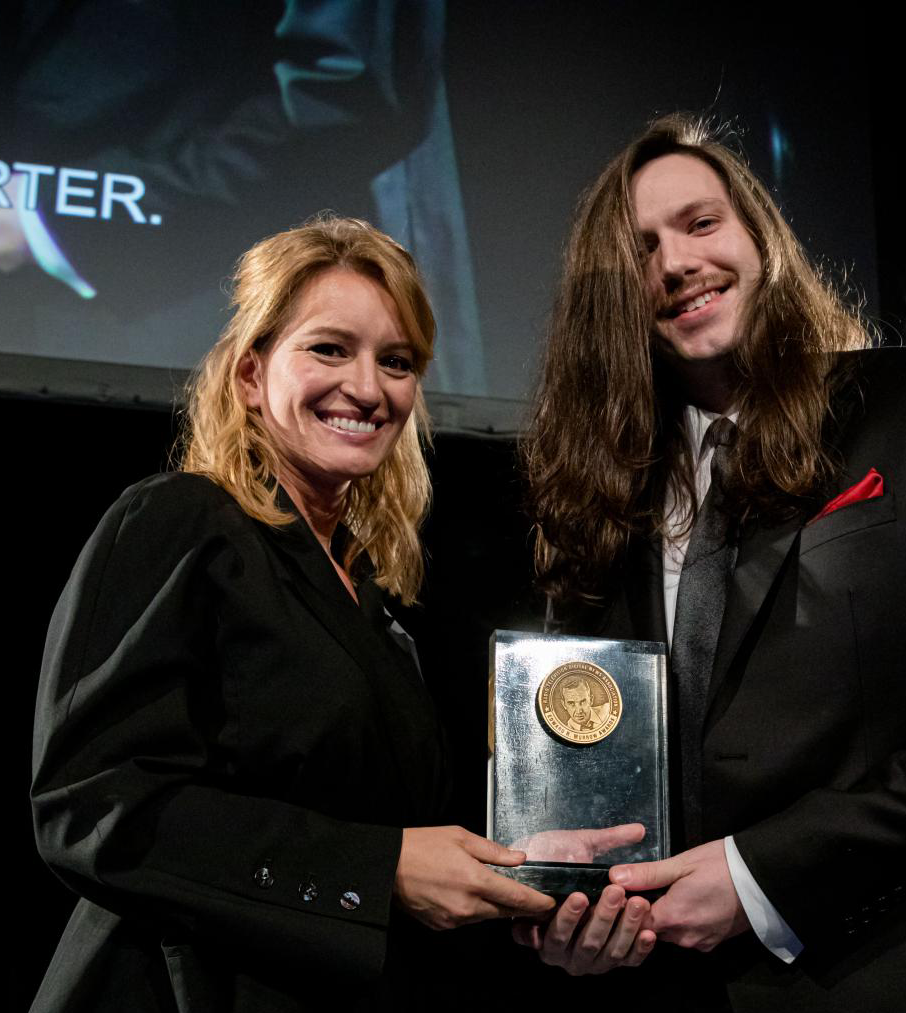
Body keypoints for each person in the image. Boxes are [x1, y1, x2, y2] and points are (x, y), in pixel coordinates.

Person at [515, 114, 906, 1008]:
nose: (677, 262)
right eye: (640, 249)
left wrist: (764, 875)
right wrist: (574, 914)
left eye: (701, 222)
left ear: (761, 235)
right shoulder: (604, 501)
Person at [28, 216, 554, 1012]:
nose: (369, 388)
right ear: (250, 374)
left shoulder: (377, 605)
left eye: (397, 361)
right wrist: (376, 872)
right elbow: (93, 804)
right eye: (330, 348)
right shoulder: (179, 521)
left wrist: (543, 866)